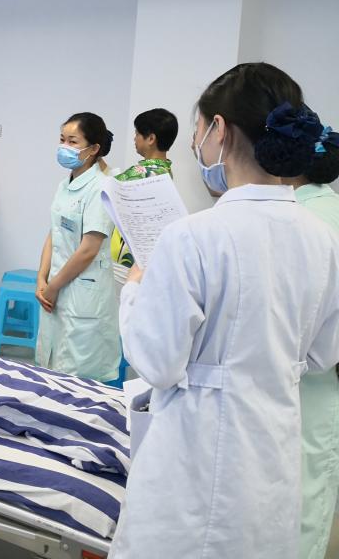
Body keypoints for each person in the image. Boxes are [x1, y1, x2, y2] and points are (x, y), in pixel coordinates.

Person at [111, 63, 339, 559]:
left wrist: (134, 291)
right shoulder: (322, 238)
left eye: (197, 129)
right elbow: (322, 355)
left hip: (195, 453)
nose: (196, 143)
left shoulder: (193, 236)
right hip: (272, 451)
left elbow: (158, 363)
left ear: (219, 129)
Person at [284, 123, 339, 559]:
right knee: (312, 483)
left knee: (296, 485)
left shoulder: (298, 220)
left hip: (302, 374)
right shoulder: (329, 208)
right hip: (321, 376)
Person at [35, 112, 118, 382]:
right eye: (62, 139)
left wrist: (53, 286)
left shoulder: (101, 187)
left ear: (93, 149)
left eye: (73, 142)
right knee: (52, 369)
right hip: (56, 284)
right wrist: (42, 278)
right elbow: (54, 232)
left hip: (83, 292)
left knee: (79, 377)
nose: (64, 147)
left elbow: (88, 249)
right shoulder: (65, 184)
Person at [110, 108, 179, 273]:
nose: (134, 138)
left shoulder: (144, 172)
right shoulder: (165, 170)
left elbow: (107, 189)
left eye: (137, 133)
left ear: (151, 139)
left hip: (126, 258)